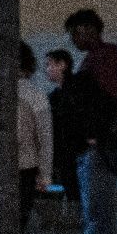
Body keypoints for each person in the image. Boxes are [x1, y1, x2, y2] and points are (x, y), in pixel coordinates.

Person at [64, 9, 117, 234]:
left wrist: (93, 134)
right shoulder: (103, 59)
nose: (73, 40)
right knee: (100, 209)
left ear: (88, 29)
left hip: (99, 143)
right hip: (104, 141)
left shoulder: (100, 61)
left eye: (75, 33)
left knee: (97, 210)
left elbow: (103, 103)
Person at [16, 44, 53, 234]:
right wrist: (46, 174)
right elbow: (45, 137)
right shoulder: (35, 94)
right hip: (26, 166)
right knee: (20, 218)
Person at [44, 49, 84, 203]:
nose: (47, 69)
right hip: (68, 155)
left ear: (62, 65)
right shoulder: (56, 95)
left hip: (72, 154)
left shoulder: (71, 93)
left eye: (49, 65)